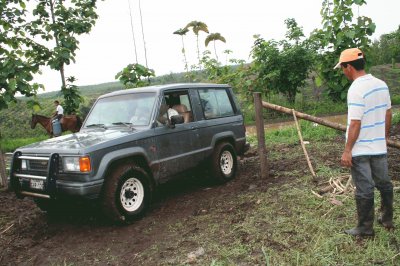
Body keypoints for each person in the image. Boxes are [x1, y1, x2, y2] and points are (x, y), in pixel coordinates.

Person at [335, 48, 394, 236]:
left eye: (343, 68)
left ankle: (365, 228)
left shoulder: (356, 89)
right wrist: (383, 137)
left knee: (364, 189)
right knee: (384, 183)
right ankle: (387, 218)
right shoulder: (381, 84)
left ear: (349, 66)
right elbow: (388, 113)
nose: (343, 72)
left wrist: (347, 150)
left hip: (360, 149)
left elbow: (355, 123)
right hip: (378, 146)